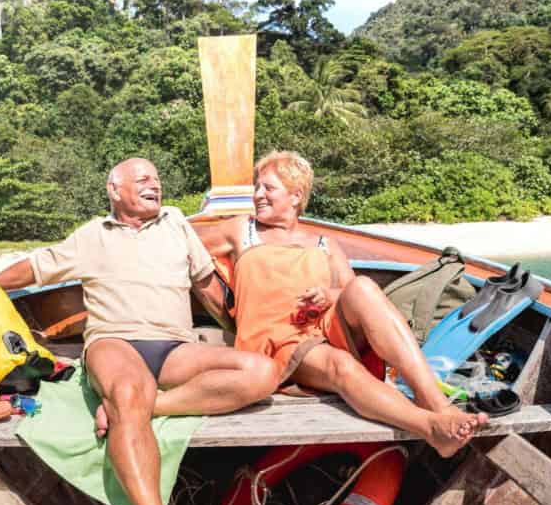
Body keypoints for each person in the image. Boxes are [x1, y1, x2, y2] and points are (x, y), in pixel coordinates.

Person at [0, 157, 277, 505]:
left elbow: (209, 288)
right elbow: (34, 267)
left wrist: (244, 331)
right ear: (114, 188)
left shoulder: (177, 223)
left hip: (175, 346)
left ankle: (151, 406)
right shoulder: (92, 235)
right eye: (142, 179)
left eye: (157, 180)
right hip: (114, 341)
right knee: (127, 391)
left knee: (261, 372)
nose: (153, 185)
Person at [197, 151, 489, 458]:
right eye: (257, 187)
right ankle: (431, 427)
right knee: (341, 365)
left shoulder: (324, 243)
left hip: (325, 326)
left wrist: (328, 294)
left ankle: (437, 404)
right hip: (277, 340)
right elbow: (183, 243)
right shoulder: (242, 230)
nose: (258, 195)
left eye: (268, 188)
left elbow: (348, 293)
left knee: (362, 286)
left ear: (296, 196)